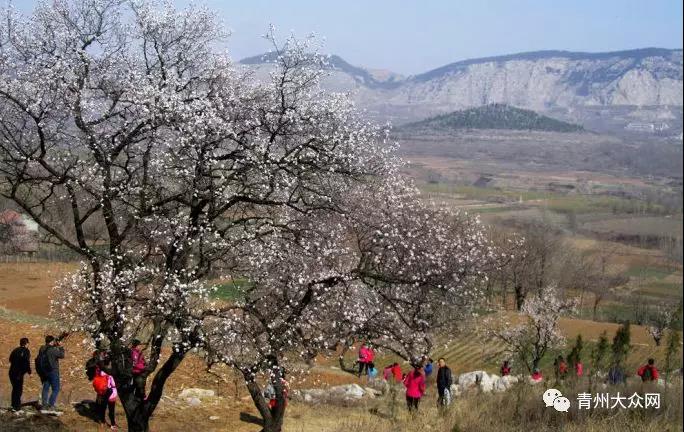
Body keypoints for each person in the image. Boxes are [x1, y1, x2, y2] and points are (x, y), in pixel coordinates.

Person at [36, 335, 65, 411]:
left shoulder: (42, 348)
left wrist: (55, 345)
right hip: (53, 371)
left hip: (44, 371)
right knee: (56, 389)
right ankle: (51, 405)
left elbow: (48, 348)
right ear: (52, 342)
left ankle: (44, 405)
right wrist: (61, 347)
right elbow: (62, 355)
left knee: (46, 388)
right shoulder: (53, 350)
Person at [92, 360, 118, 430]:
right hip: (111, 393)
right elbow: (113, 384)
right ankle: (112, 424)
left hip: (102, 393)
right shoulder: (110, 374)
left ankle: (102, 422)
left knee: (103, 408)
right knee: (111, 409)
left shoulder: (99, 373)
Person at [9, 337, 32, 412]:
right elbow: (26, 362)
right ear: (26, 344)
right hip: (19, 373)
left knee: (15, 389)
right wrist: (29, 372)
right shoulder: (26, 351)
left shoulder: (15, 350)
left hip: (11, 372)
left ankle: (13, 405)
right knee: (18, 390)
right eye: (28, 343)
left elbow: (10, 359)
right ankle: (17, 407)